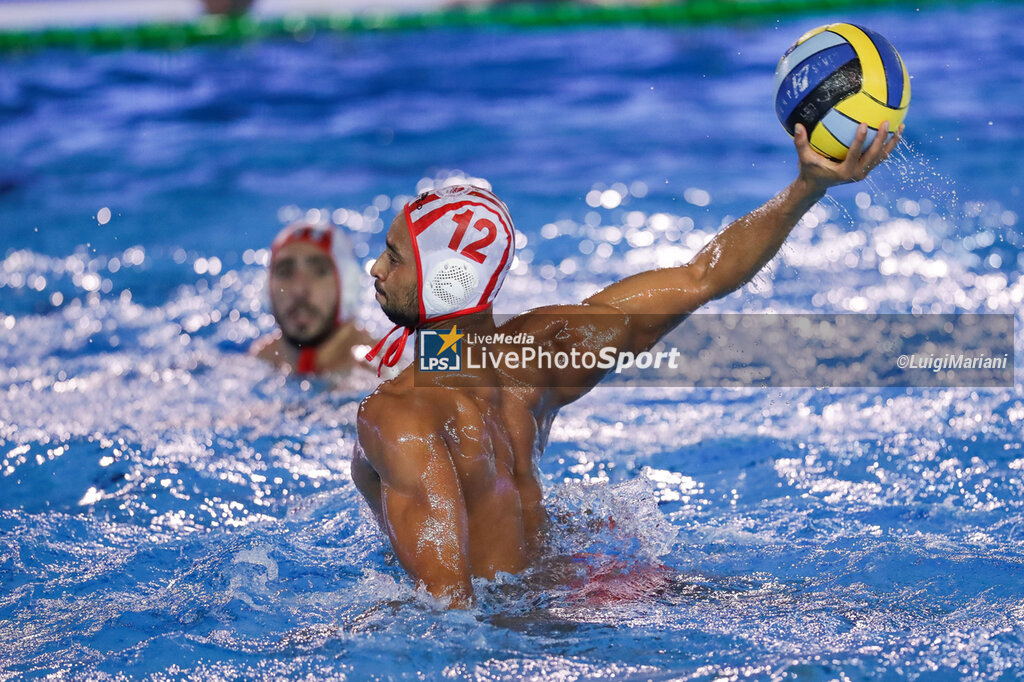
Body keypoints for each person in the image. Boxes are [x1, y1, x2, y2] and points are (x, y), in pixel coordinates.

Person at [351, 122, 903, 607]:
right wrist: (808, 188)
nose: (376, 267)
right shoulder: (539, 356)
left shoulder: (397, 414)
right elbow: (700, 277)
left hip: (520, 632)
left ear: (448, 281)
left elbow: (449, 608)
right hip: (591, 587)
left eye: (395, 257)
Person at [252, 219, 375, 375]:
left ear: (346, 286)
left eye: (319, 272)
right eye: (285, 272)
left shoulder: (385, 369)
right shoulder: (258, 361)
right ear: (267, 288)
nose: (299, 290)